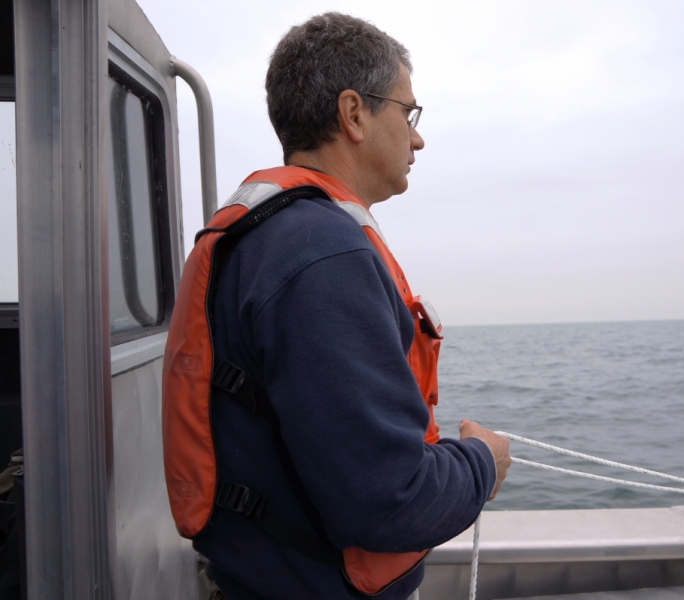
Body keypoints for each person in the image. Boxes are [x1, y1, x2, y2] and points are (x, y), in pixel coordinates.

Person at [191, 12, 512, 599]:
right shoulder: (320, 255)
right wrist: (482, 462)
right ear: (354, 113)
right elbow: (388, 501)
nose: (417, 137)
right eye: (407, 112)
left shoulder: (276, 238)